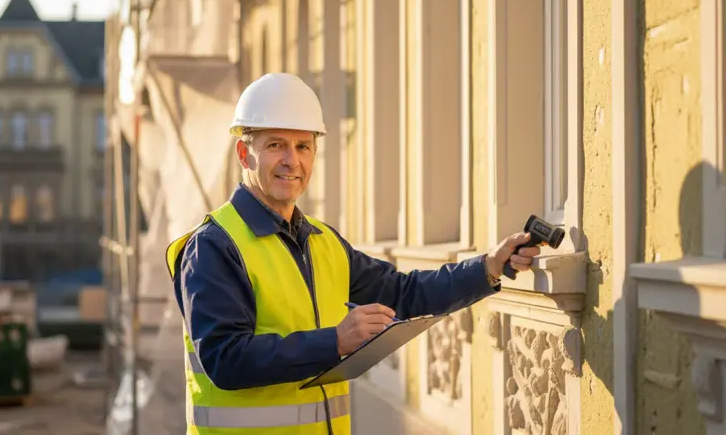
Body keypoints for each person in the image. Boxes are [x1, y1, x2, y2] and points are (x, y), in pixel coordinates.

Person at [165, 73, 541, 435]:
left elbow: (404, 293)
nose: (291, 161)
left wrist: (489, 266)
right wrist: (335, 341)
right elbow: (225, 359)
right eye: (276, 145)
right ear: (245, 154)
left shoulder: (322, 241)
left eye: (303, 147)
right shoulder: (214, 246)